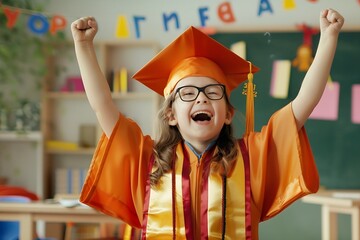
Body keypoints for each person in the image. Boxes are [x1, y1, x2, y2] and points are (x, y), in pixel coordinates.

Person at [71, 8, 344, 239]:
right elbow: (103, 107)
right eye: (188, 93)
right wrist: (83, 47)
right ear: (171, 115)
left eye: (213, 92)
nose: (201, 99)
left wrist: (328, 38)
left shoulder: (252, 157)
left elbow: (303, 104)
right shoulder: (146, 160)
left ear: (227, 114)